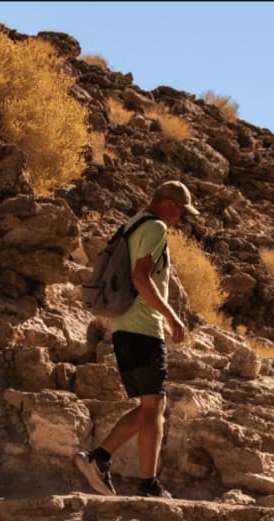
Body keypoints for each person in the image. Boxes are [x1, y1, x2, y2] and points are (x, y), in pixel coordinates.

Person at [74, 180, 199, 499]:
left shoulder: (132, 224)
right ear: (170, 204)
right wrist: (171, 316)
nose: (181, 218)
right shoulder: (156, 228)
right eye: (182, 211)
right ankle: (110, 463)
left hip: (123, 326)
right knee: (154, 404)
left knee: (152, 404)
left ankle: (135, 477)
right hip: (143, 326)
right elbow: (140, 277)